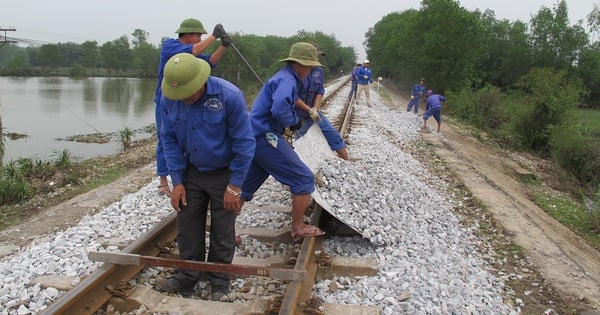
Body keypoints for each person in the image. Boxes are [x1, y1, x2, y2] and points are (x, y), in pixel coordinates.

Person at [155, 53, 255, 301]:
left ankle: (219, 278)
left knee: (223, 228)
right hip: (190, 171)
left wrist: (235, 185)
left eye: (188, 93)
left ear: (201, 82)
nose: (184, 99)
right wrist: (176, 181)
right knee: (187, 223)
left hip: (224, 172)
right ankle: (189, 275)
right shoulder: (170, 98)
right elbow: (169, 139)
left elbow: (245, 142)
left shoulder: (228, 96)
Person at [241, 42, 326, 242]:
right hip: (266, 136)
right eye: (311, 66)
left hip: (255, 135)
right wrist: (293, 122)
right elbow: (279, 109)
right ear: (301, 65)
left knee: (245, 186)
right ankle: (297, 228)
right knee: (304, 179)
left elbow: (284, 102)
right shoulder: (288, 80)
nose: (312, 70)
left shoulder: (284, 77)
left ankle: (224, 233)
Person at [154, 18, 233, 196]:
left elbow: (210, 62)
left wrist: (223, 46)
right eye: (198, 35)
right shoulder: (170, 46)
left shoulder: (193, 56)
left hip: (187, 98)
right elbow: (194, 50)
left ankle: (187, 172)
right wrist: (214, 36)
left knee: (191, 133)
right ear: (187, 34)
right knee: (165, 138)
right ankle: (163, 180)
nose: (199, 38)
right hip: (166, 100)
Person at [294, 43, 350, 160]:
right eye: (316, 56)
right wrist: (308, 109)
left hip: (313, 113)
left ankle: (347, 160)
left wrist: (315, 108)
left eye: (319, 56)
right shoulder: (296, 72)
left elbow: (320, 90)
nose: (318, 58)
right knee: (296, 140)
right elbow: (293, 96)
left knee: (332, 134)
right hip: (296, 114)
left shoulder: (318, 70)